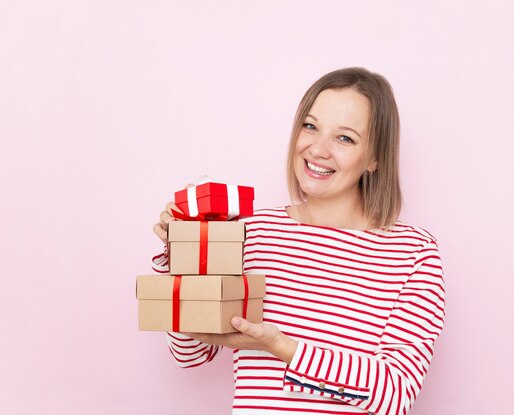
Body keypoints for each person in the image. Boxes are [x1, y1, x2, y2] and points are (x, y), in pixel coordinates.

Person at [153, 67, 446, 414]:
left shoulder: (413, 254)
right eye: (311, 126)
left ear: (374, 158)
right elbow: (190, 354)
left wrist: (282, 347)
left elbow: (395, 393)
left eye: (345, 138)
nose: (317, 149)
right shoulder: (250, 232)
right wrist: (188, 253)